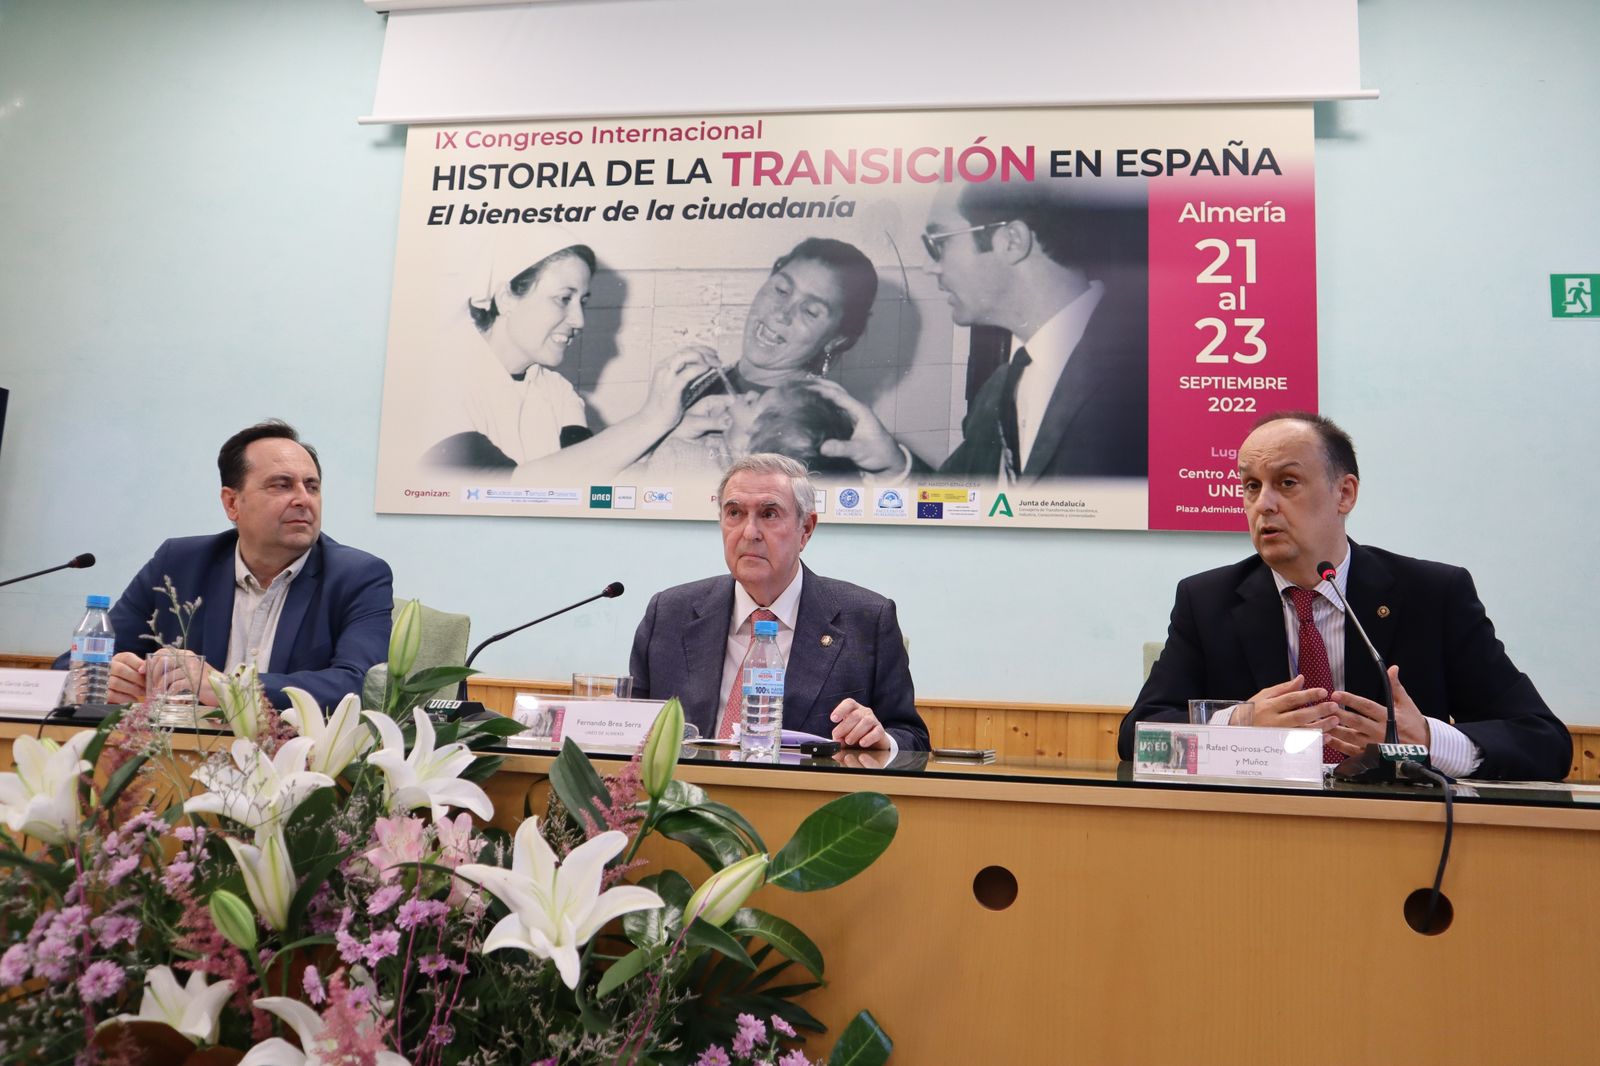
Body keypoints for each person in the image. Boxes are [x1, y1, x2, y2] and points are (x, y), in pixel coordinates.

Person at [1118, 412, 1570, 781]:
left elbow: (1543, 741)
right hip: (1255, 836)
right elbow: (1137, 736)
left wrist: (1430, 740)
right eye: (1252, 486)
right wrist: (1239, 726)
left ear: (1345, 493)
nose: (1264, 504)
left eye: (1287, 482)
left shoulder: (1433, 595)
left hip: (1397, 836)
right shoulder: (1207, 599)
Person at [817, 177, 1148, 482]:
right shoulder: (998, 391)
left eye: (938, 243)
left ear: (1011, 241)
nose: (928, 266)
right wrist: (894, 465)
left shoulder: (1147, 375)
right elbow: (960, 507)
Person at [629, 453, 928, 752]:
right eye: (734, 513)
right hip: (688, 794)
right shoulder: (668, 614)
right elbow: (634, 731)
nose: (749, 532)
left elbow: (912, 739)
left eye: (769, 514)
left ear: (806, 529)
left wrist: (880, 739)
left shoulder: (867, 619)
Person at [105, 420, 393, 711]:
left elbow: (360, 685)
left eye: (312, 486)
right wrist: (110, 676)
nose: (303, 499)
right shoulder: (178, 564)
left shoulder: (358, 576)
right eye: (282, 485)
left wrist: (226, 688)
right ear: (232, 503)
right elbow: (79, 663)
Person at [422, 226, 717, 475]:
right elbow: (503, 490)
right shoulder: (436, 384)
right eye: (564, 298)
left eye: (582, 302)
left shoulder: (556, 391)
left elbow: (587, 469)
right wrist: (653, 419)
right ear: (506, 298)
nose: (579, 320)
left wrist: (672, 430)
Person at [637, 238, 879, 474]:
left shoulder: (801, 427)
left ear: (836, 339)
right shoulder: (715, 377)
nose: (782, 313)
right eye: (781, 290)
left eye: (810, 311)